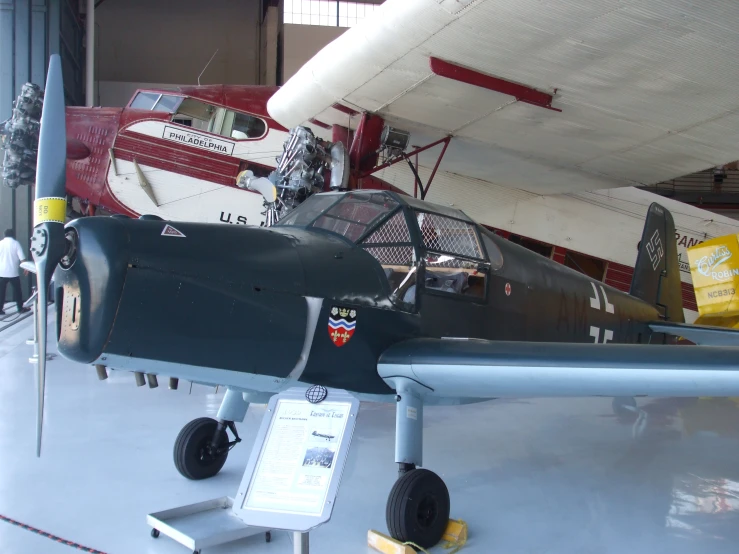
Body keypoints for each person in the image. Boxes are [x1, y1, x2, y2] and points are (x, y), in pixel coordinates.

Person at [0, 229, 30, 315]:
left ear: (4, 235)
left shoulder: (0, 243)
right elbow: (22, 258)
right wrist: (26, 268)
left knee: (1, 291)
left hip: (1, 272)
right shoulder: (15, 243)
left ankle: (0, 309)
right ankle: (20, 308)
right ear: (13, 235)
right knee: (17, 291)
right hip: (13, 272)